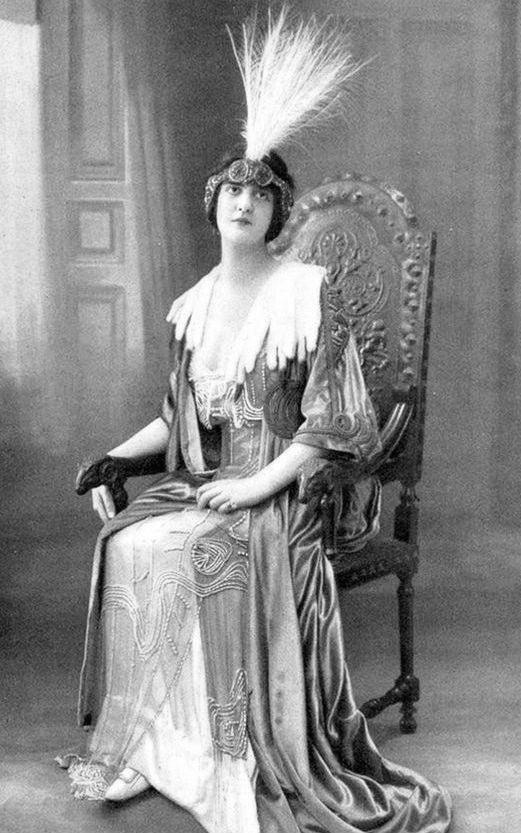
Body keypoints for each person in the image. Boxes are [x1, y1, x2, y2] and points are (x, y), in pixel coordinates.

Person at [59, 9, 452, 833]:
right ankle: (160, 744)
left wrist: (253, 488)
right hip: (212, 483)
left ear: (278, 211)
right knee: (129, 541)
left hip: (286, 494)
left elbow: (333, 421)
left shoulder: (306, 294)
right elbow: (176, 418)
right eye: (232, 190)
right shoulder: (193, 307)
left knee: (200, 551)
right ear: (213, 205)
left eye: (260, 193)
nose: (244, 201)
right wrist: (114, 458)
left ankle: (231, 748)